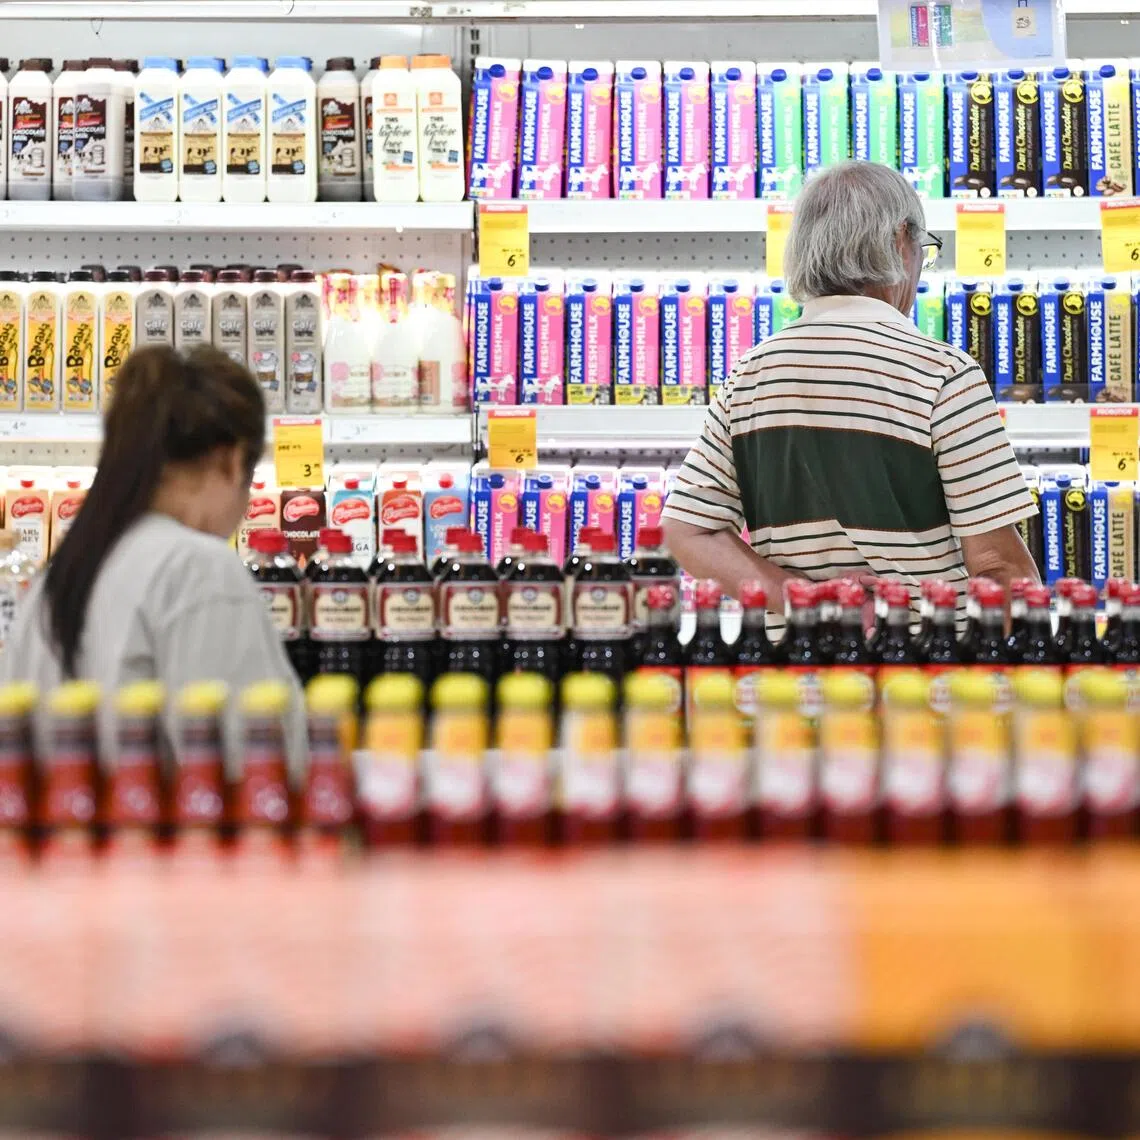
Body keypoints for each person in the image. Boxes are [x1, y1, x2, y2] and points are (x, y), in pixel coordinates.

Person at [662, 160, 1040, 629]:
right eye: (924, 248)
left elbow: (687, 529)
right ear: (902, 241)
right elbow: (999, 568)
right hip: (927, 674)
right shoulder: (942, 373)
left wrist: (806, 597)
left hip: (799, 673)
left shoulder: (752, 374)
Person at [0, 344, 304, 767]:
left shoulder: (62, 574)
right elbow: (256, 763)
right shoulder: (199, 568)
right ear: (231, 462)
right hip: (170, 828)